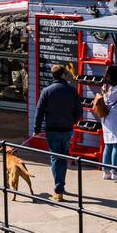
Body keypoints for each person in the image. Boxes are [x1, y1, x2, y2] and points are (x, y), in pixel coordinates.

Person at [33, 64, 81, 201]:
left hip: (52, 129)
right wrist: (72, 121)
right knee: (63, 157)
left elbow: (39, 111)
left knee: (55, 158)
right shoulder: (72, 90)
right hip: (67, 129)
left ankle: (58, 188)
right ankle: (61, 186)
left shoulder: (47, 91)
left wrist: (37, 129)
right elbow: (79, 111)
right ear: (64, 74)